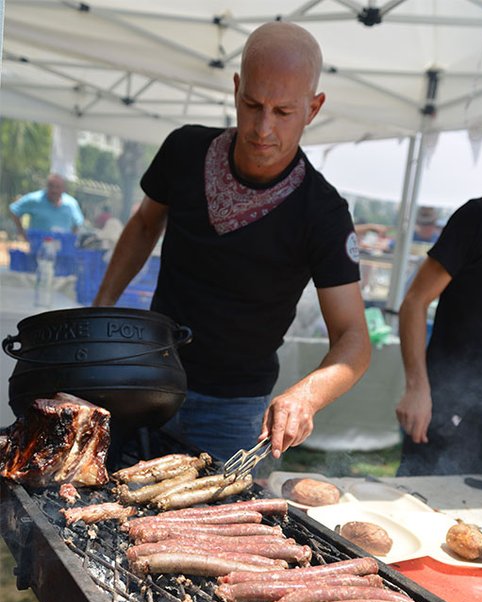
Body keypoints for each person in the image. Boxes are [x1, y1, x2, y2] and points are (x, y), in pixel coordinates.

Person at [92, 21, 371, 467]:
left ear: (313, 108)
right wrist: (100, 309)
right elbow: (145, 225)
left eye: (283, 112)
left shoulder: (323, 213)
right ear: (236, 88)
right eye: (252, 104)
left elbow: (354, 337)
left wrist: (307, 395)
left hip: (235, 409)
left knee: (210, 528)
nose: (262, 128)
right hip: (148, 377)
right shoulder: (184, 150)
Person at [396, 191, 482, 476]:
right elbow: (415, 302)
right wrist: (417, 389)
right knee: (418, 502)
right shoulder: (479, 217)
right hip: (447, 399)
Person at [9, 173, 84, 239]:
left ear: (63, 189)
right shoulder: (35, 200)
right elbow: (14, 210)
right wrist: (22, 232)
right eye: (51, 186)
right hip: (38, 249)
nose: (54, 190)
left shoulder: (71, 204)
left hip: (62, 251)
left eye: (58, 187)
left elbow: (78, 223)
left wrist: (70, 239)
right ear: (46, 186)